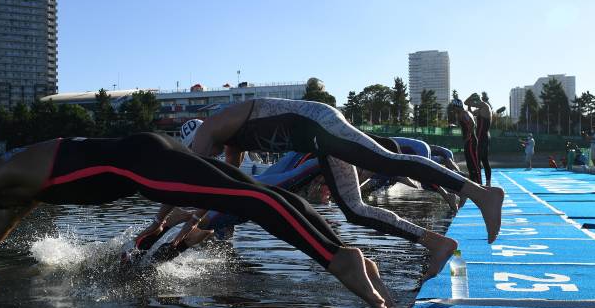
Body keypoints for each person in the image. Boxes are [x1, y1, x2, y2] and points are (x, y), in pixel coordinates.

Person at [0, 134, 394, 308]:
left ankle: (336, 258)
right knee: (252, 189)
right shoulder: (20, 190)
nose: (8, 213)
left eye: (3, 210)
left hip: (138, 164)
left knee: (247, 198)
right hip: (146, 153)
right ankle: (342, 250)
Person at [145, 101, 503, 278]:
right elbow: (222, 188)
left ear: (194, 143)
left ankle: (480, 193)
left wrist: (159, 223)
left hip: (319, 124)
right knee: (354, 210)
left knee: (385, 161)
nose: (199, 158)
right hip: (317, 144)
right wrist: (183, 221)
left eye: (195, 153)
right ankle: (436, 242)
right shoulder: (227, 141)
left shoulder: (210, 128)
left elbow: (184, 180)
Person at [449, 98, 481, 184]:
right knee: (469, 163)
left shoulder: (464, 113)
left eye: (454, 107)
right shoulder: (461, 114)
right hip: (468, 141)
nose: (453, 109)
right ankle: (474, 182)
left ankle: (479, 182)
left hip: (471, 140)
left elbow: (472, 123)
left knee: (473, 162)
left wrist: (468, 135)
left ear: (458, 106)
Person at [465, 93, 493, 186]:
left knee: (478, 160)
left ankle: (479, 183)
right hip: (483, 136)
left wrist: (470, 98)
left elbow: (466, 102)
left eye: (475, 101)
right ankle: (486, 182)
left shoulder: (484, 105)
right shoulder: (481, 109)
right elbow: (470, 113)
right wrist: (469, 105)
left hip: (482, 137)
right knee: (483, 160)